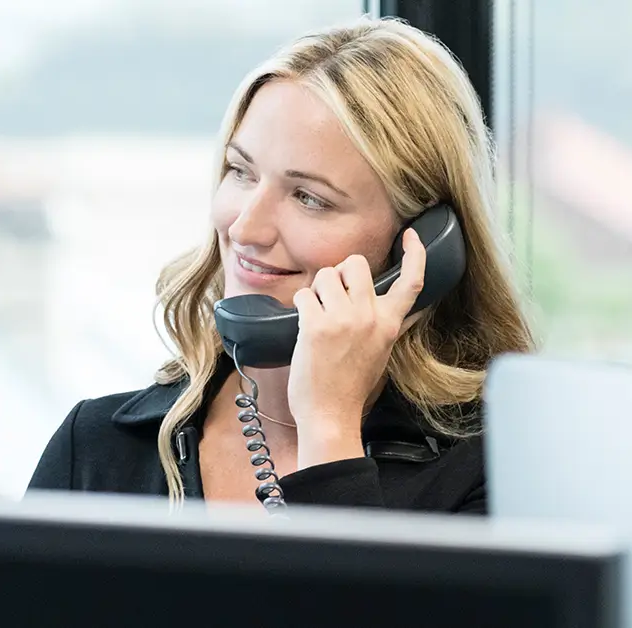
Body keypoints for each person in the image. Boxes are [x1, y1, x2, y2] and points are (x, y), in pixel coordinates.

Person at [29, 16, 535, 514]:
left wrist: (329, 428)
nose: (246, 228)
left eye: (309, 197)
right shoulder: (95, 451)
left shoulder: (498, 475)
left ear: (419, 245)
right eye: (240, 171)